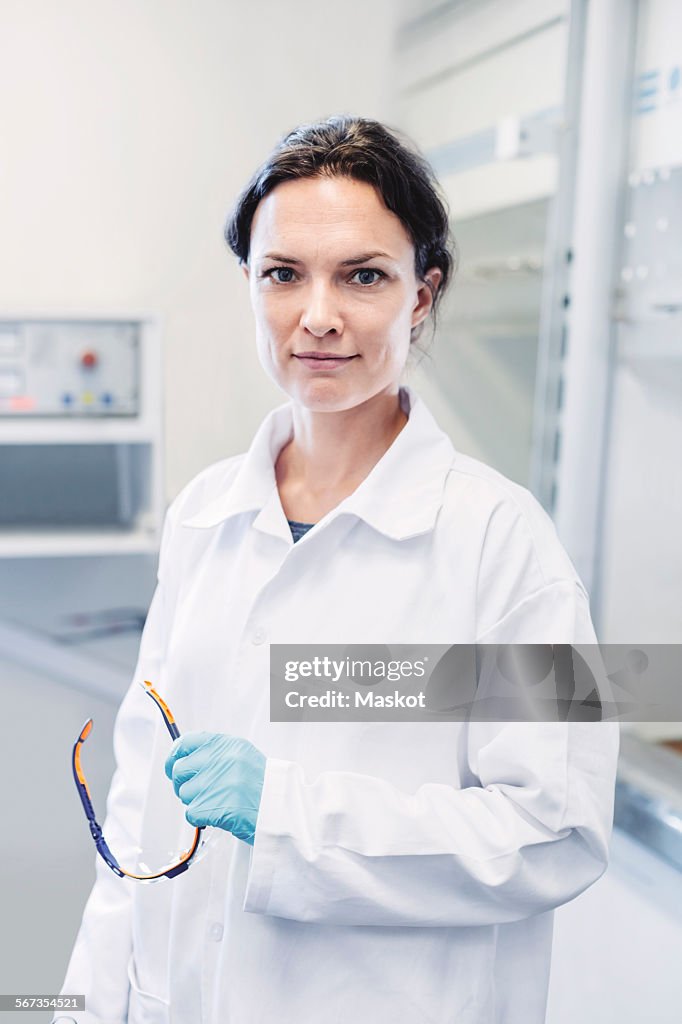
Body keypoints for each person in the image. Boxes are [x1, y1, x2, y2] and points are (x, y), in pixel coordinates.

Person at [53, 115, 619, 1024]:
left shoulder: (506, 540)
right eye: (284, 274)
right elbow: (135, 817)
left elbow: (559, 830)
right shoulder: (204, 516)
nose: (318, 315)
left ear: (421, 297)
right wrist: (82, 1007)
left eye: (364, 275)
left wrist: (290, 812)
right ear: (251, 286)